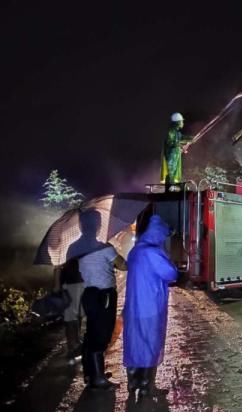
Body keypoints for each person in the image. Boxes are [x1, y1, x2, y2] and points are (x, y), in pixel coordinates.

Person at [123, 214, 178, 397]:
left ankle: (133, 383)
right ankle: (146, 385)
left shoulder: (135, 250)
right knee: (150, 343)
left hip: (133, 308)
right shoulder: (153, 253)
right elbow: (170, 274)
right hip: (150, 308)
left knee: (134, 343)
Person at [79, 243, 127, 390]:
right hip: (104, 295)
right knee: (102, 334)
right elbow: (123, 265)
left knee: (92, 332)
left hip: (88, 294)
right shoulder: (105, 248)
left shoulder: (78, 247)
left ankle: (91, 374)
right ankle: (98, 379)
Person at [54, 259, 85, 364]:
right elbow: (58, 267)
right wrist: (57, 285)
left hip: (80, 281)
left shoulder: (76, 248)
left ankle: (75, 341)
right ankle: (72, 345)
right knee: (71, 315)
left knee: (77, 314)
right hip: (71, 283)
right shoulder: (67, 249)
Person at [160, 112, 192, 186]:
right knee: (172, 169)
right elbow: (170, 142)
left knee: (175, 171)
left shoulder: (177, 133)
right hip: (171, 155)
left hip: (176, 154)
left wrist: (191, 138)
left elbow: (183, 137)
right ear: (177, 122)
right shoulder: (171, 132)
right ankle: (170, 184)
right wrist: (180, 144)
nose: (183, 123)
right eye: (181, 121)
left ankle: (174, 184)